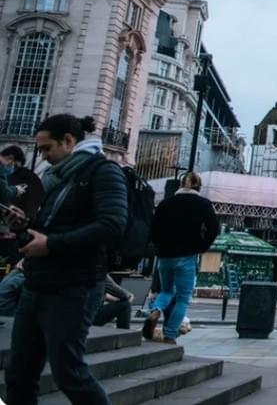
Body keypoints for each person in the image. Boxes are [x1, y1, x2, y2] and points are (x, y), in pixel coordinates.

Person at [5, 114, 127, 405]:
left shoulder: (103, 171)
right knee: (19, 373)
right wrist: (22, 226)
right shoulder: (54, 177)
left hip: (75, 286)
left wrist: (52, 244)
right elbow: (46, 230)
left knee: (68, 372)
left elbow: (112, 225)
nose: (43, 156)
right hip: (38, 283)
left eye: (47, 148)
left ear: (69, 141)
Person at [142, 171, 218, 345]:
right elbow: (213, 228)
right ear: (199, 187)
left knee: (167, 291)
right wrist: (201, 246)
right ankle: (170, 334)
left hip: (165, 256)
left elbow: (154, 229)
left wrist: (160, 247)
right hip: (186, 255)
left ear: (180, 185)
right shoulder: (203, 204)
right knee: (183, 298)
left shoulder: (166, 203)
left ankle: (155, 310)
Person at [1, 145, 45, 221]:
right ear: (11, 158)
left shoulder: (28, 177)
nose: (12, 169)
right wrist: (16, 190)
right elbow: (4, 193)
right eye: (14, 166)